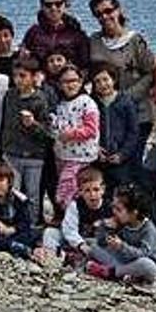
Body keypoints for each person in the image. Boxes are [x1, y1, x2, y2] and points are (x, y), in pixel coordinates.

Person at [87, 0, 155, 162]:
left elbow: (152, 72)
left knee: (132, 162)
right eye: (98, 14)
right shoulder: (94, 40)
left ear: (118, 10)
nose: (104, 16)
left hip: (138, 113)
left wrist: (128, 96)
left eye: (108, 10)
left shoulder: (135, 41)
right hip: (105, 113)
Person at [0, 58, 50, 223]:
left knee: (32, 195)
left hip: (33, 157)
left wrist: (33, 124)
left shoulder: (40, 100)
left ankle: (32, 226)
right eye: (15, 76)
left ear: (34, 77)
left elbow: (47, 133)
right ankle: (10, 225)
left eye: (23, 76)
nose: (18, 80)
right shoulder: (10, 95)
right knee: (12, 192)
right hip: (11, 153)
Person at [86, 184, 156, 286]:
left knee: (147, 266)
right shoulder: (121, 222)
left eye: (119, 210)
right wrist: (105, 227)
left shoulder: (148, 229)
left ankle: (110, 272)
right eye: (114, 208)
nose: (114, 212)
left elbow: (143, 254)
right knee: (93, 245)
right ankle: (125, 274)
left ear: (134, 213)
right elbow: (101, 242)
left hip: (140, 262)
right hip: (122, 260)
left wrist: (121, 246)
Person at [51, 65, 100, 211]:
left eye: (74, 80)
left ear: (81, 82)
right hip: (62, 155)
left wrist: (70, 134)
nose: (70, 84)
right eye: (65, 81)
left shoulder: (87, 103)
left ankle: (68, 218)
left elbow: (91, 129)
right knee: (70, 190)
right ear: (59, 84)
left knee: (65, 192)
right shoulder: (60, 104)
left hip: (80, 157)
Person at [40, 167, 111, 264]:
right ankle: (58, 258)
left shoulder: (109, 206)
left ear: (102, 189)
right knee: (50, 233)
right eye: (87, 191)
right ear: (80, 191)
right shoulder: (75, 205)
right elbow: (69, 230)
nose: (92, 194)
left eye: (96, 189)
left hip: (96, 242)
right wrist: (80, 244)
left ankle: (81, 260)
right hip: (77, 240)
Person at [91, 63, 139, 194]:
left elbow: (133, 132)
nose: (102, 84)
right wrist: (94, 149)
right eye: (97, 81)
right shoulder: (91, 102)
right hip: (98, 158)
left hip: (120, 159)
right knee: (101, 191)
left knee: (122, 193)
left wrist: (122, 154)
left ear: (114, 80)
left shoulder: (125, 101)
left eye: (105, 79)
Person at [21, 0, 89, 72]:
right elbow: (24, 60)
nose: (53, 8)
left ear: (64, 5)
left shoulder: (76, 33)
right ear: (42, 7)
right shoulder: (33, 32)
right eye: (48, 5)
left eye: (58, 4)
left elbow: (85, 65)